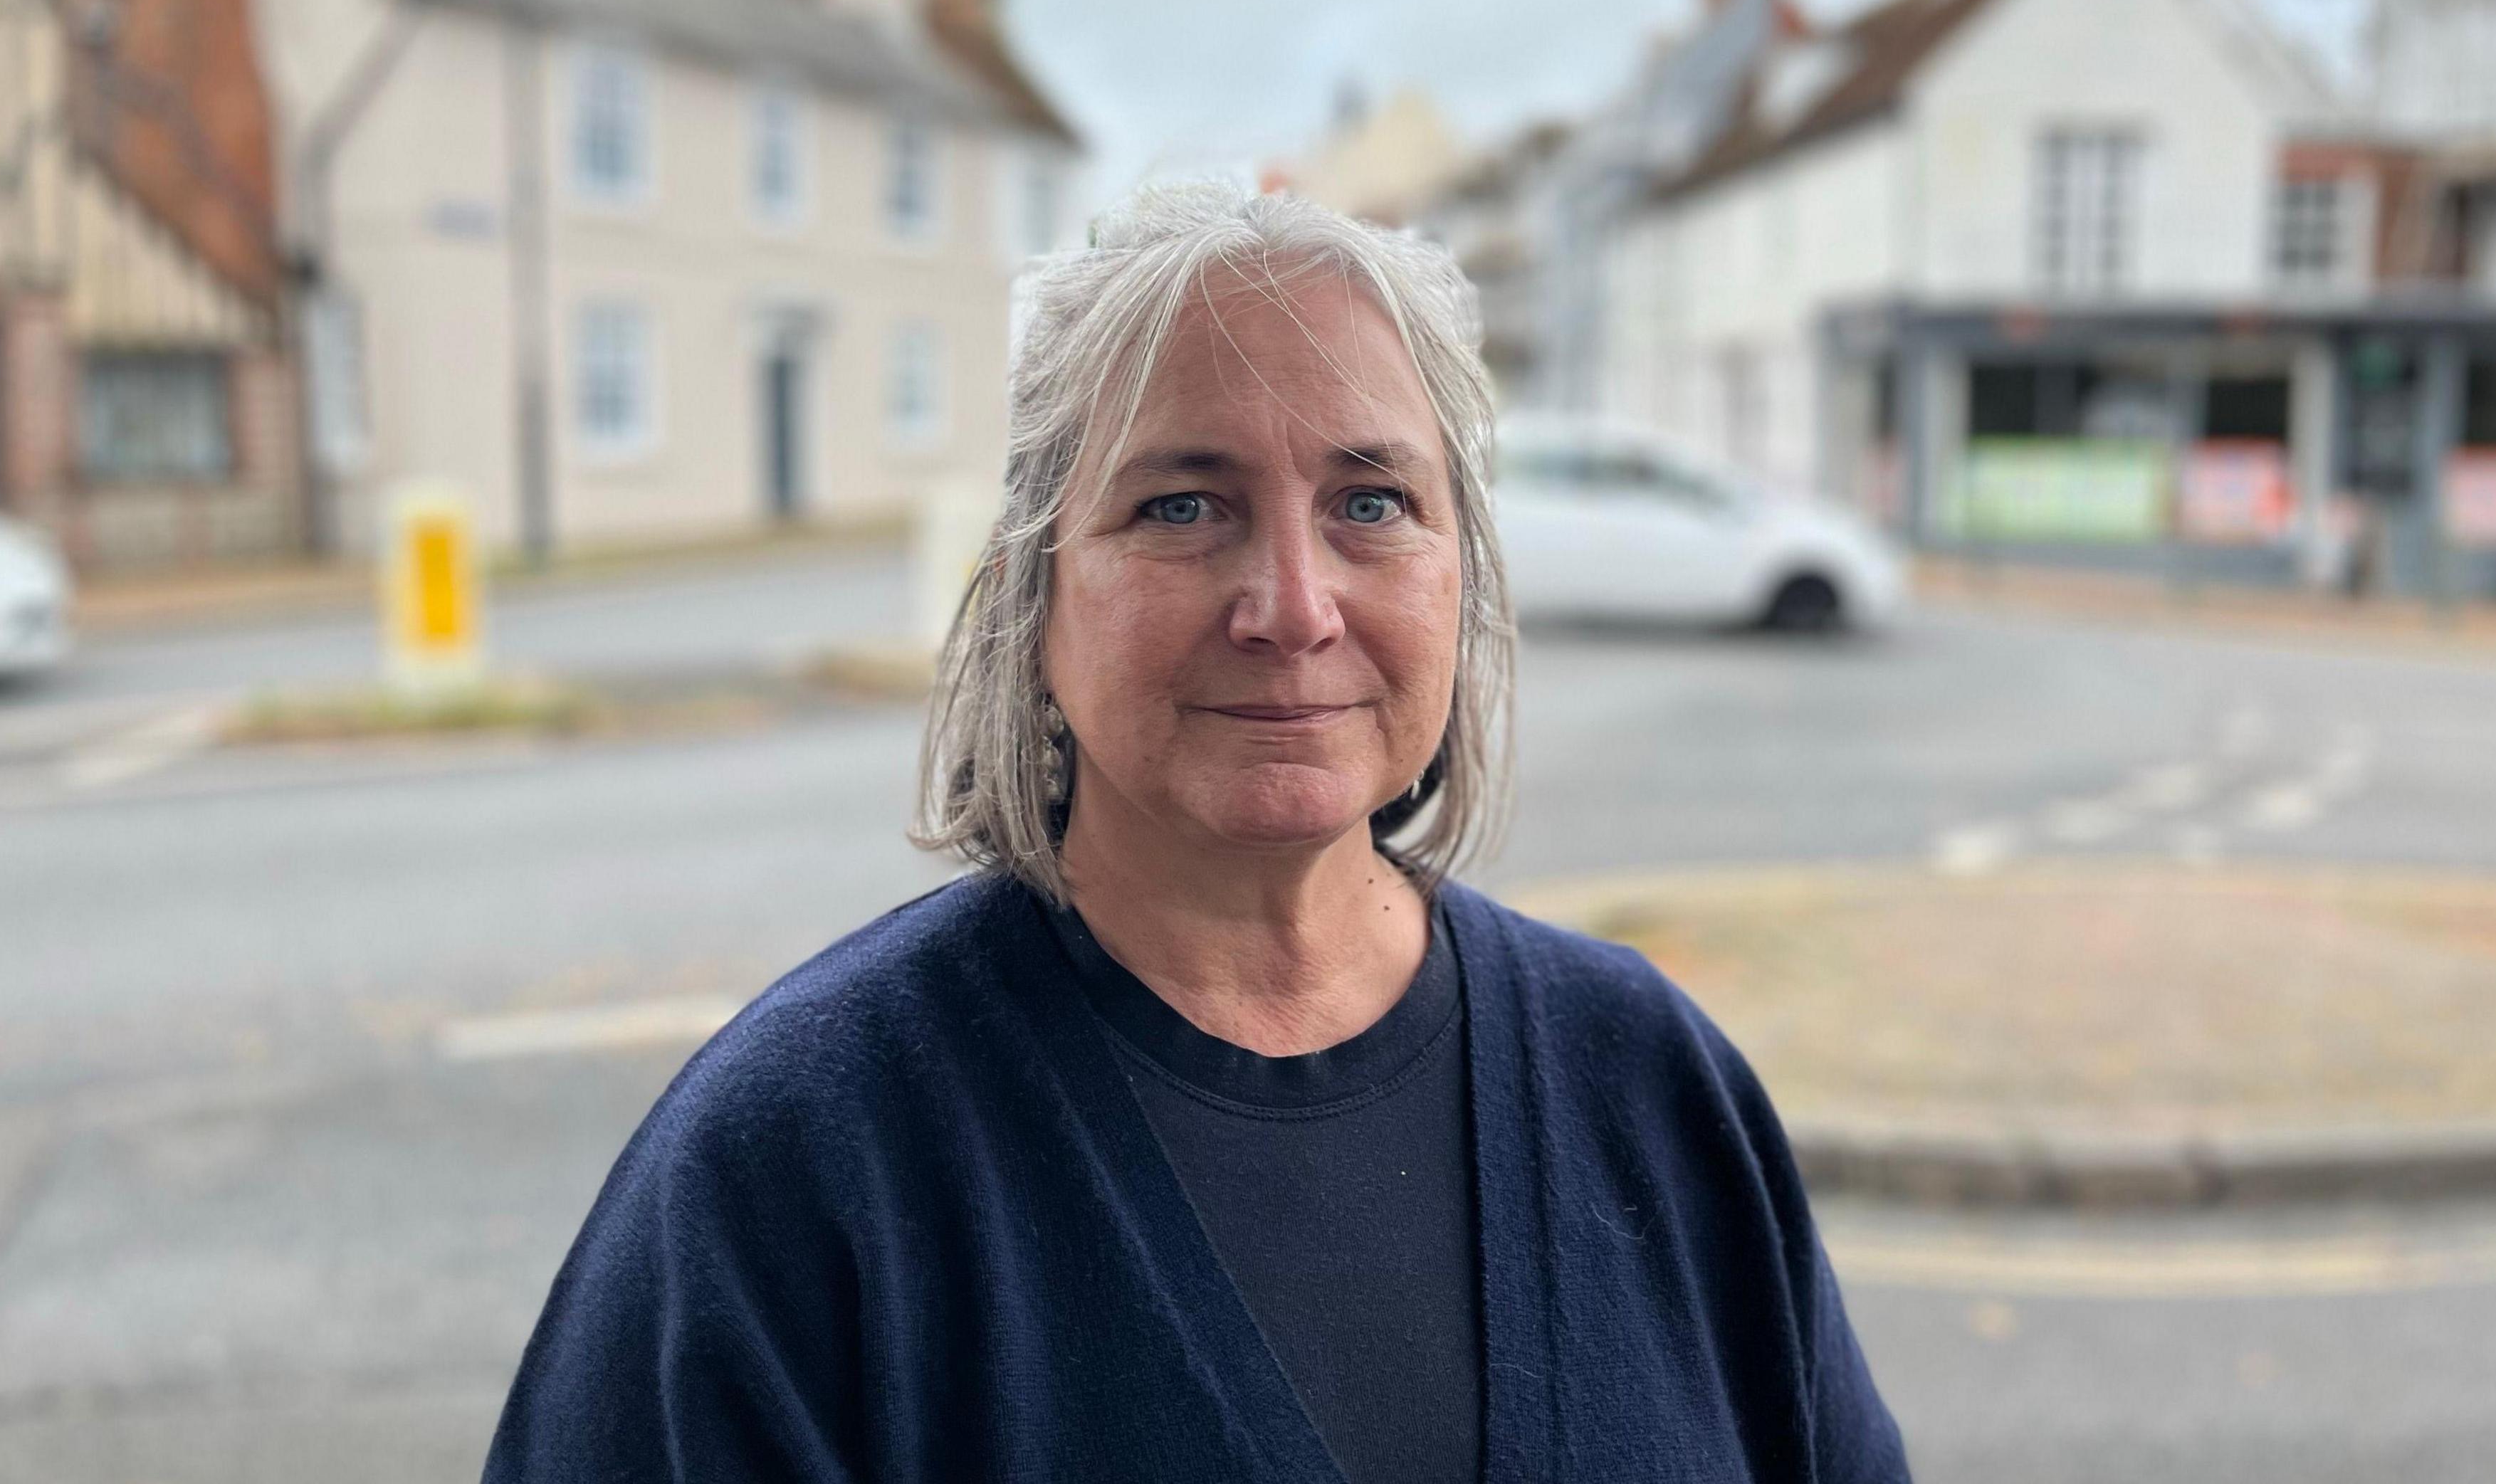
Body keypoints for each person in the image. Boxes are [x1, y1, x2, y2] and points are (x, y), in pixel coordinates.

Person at [483, 184, 1909, 1483]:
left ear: (1460, 573)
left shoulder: (1650, 1084)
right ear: (1036, 596)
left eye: (1370, 502)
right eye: (1181, 505)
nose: (1292, 607)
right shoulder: (797, 1164)